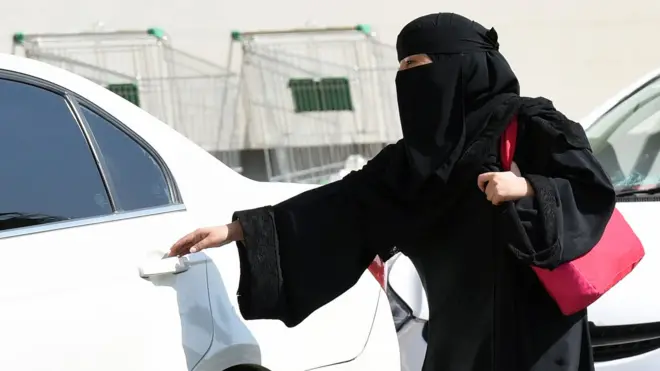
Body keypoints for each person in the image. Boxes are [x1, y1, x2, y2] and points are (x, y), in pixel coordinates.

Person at [169, 12, 615, 371]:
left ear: (460, 65)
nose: (406, 77)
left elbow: (590, 189)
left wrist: (526, 188)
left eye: (418, 64)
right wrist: (240, 230)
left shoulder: (532, 123)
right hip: (456, 337)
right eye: (400, 66)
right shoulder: (412, 159)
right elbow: (344, 203)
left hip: (535, 332)